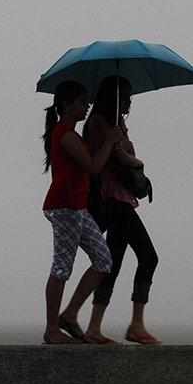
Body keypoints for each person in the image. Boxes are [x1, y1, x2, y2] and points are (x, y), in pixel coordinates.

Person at [41, 80, 124, 344]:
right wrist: (110, 141)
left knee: (103, 260)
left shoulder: (71, 134)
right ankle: (52, 328)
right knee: (62, 266)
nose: (86, 106)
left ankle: (70, 314)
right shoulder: (64, 133)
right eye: (81, 102)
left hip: (77, 206)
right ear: (66, 106)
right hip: (64, 205)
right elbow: (93, 167)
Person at [83, 76, 162, 345]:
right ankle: (137, 325)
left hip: (125, 198)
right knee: (149, 257)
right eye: (126, 97)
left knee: (111, 265)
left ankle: (94, 327)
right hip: (113, 199)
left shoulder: (118, 125)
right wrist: (132, 155)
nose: (129, 102)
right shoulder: (99, 123)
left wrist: (127, 147)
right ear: (112, 98)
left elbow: (127, 153)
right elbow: (123, 158)